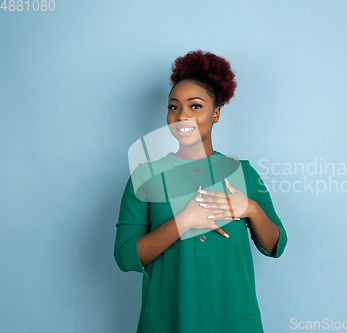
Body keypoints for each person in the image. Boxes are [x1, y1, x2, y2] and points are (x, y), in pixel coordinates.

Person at [113, 50, 288, 333]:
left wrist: (251, 209)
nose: (183, 115)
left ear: (215, 113)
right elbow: (125, 257)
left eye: (195, 106)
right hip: (168, 322)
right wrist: (184, 221)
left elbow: (275, 245)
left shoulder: (242, 172)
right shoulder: (145, 176)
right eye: (174, 107)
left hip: (235, 321)